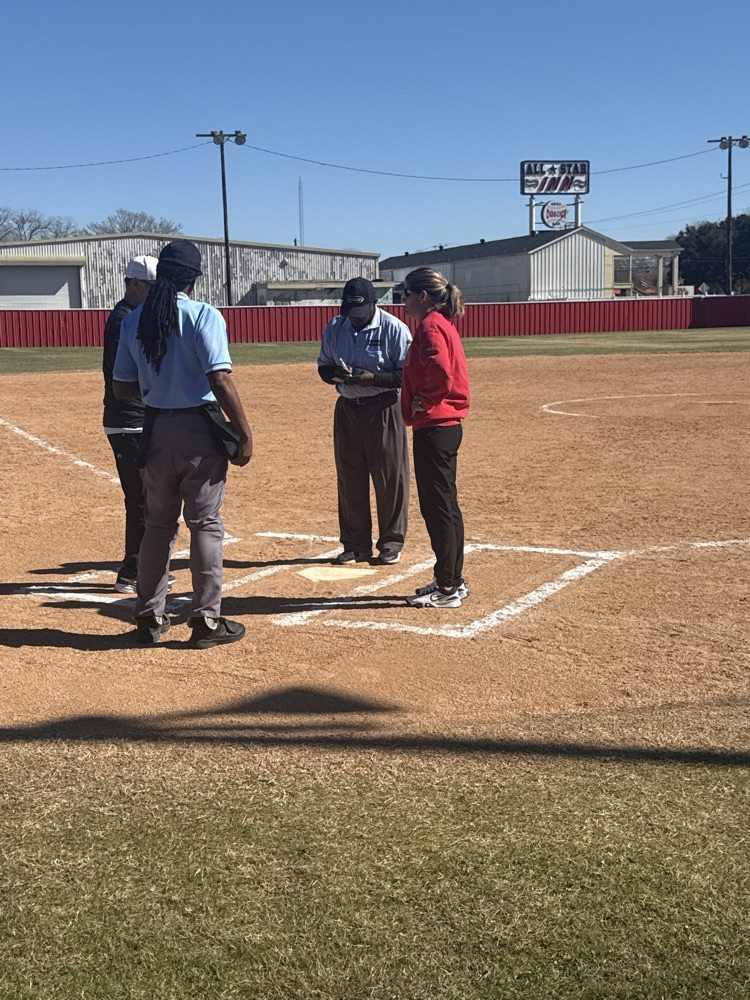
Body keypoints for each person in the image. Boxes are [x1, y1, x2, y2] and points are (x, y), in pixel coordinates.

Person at [113, 240, 253, 647]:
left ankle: (149, 617)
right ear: (192, 278)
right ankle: (207, 621)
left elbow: (122, 388)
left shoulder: (134, 320)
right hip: (198, 431)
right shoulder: (202, 314)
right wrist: (244, 433)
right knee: (205, 524)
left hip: (154, 430)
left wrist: (160, 386)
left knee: (157, 525)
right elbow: (219, 378)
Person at [317, 277, 412, 565]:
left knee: (389, 479)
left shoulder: (394, 329)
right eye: (350, 314)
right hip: (347, 408)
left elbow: (407, 375)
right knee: (349, 479)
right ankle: (356, 544)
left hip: (383, 408)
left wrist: (374, 379)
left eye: (360, 314)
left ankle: (391, 542)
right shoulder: (336, 327)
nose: (354, 320)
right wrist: (338, 375)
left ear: (374, 304)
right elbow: (323, 368)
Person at [400, 268, 470, 609]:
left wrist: (424, 400)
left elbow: (441, 373)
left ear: (422, 296)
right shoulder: (440, 324)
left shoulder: (429, 326)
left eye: (407, 293)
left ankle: (447, 587)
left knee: (438, 507)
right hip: (445, 426)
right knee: (446, 505)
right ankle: (451, 579)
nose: (403, 300)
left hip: (435, 426)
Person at [102, 255, 158, 593]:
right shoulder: (123, 319)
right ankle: (131, 572)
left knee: (151, 495)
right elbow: (119, 377)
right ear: (134, 284)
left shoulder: (134, 316)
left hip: (138, 419)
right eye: (150, 287)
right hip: (128, 420)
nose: (154, 294)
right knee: (140, 498)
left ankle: (144, 565)